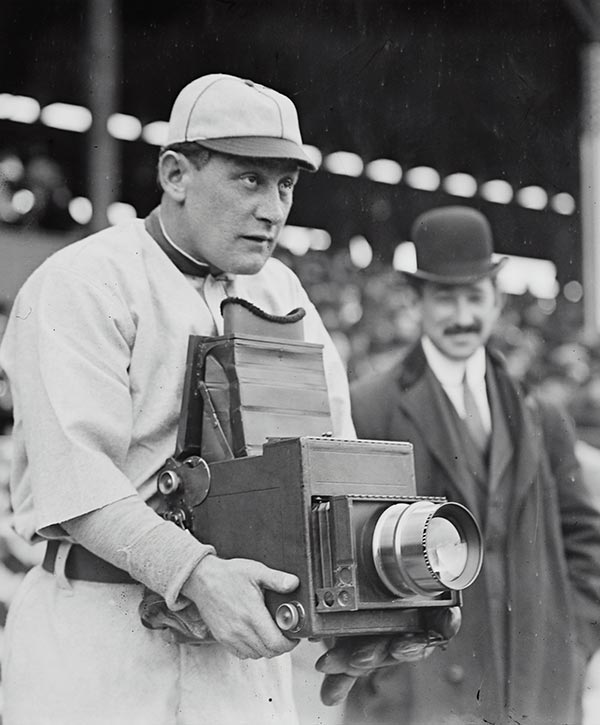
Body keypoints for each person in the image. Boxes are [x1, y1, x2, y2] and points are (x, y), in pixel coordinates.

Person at [0, 74, 455, 725]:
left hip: (239, 654)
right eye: (250, 179)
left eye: (286, 185)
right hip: (99, 636)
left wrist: (375, 608)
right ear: (175, 174)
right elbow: (76, 482)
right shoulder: (82, 281)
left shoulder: (283, 293)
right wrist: (196, 573)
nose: (273, 208)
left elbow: (338, 468)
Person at [346, 205, 600, 725]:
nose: (461, 315)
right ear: (416, 301)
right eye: (444, 297)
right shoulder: (370, 407)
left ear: (497, 300)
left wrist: (574, 641)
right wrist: (384, 673)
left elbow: (584, 538)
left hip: (536, 687)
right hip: (422, 695)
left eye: (474, 296)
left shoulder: (541, 413)